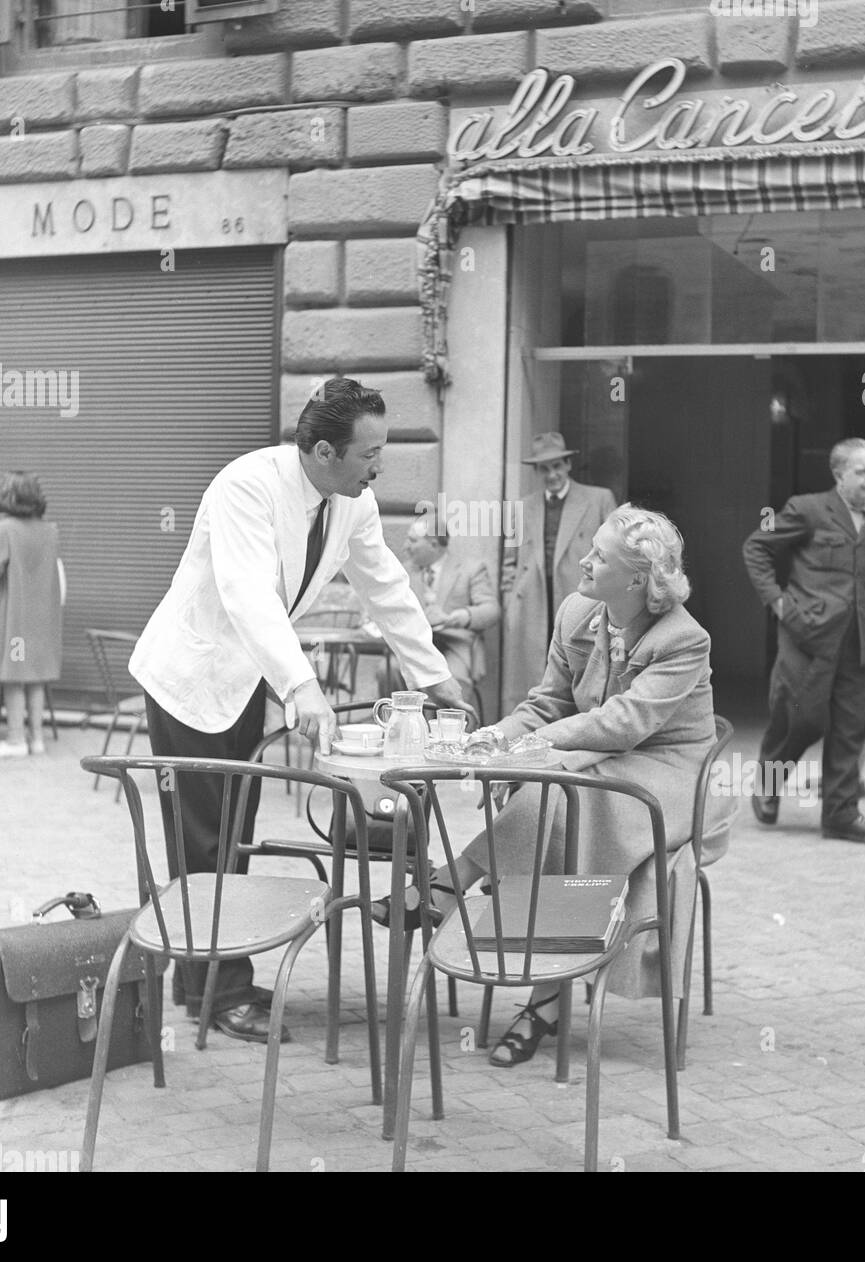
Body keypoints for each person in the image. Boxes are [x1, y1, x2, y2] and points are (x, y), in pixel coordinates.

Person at [129, 377, 465, 1044]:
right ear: (321, 450)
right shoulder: (246, 485)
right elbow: (247, 593)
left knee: (233, 828)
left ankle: (199, 979)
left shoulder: (351, 502)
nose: (379, 466)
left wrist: (433, 676)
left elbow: (387, 589)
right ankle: (214, 991)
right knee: (206, 835)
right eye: (368, 453)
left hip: (246, 674)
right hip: (191, 673)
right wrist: (301, 686)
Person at [378, 505, 733, 1067]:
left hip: (664, 772)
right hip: (596, 760)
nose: (585, 562)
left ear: (638, 578)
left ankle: (450, 885)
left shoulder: (684, 639)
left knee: (558, 793)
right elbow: (548, 703)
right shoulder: (576, 612)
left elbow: (624, 723)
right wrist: (496, 738)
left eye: (600, 557)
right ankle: (543, 998)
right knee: (553, 794)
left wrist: (535, 753)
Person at [741, 438, 865, 845]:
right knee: (801, 719)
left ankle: (841, 813)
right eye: (863, 472)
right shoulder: (805, 509)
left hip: (858, 641)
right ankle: (768, 782)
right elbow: (756, 546)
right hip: (807, 637)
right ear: (839, 474)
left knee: (849, 728)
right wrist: (778, 603)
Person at [501, 432, 617, 713]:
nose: (551, 474)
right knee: (533, 675)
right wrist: (510, 602)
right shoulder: (519, 508)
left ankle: (577, 730)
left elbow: (617, 552)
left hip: (580, 599)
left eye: (556, 466)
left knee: (580, 667)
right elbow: (509, 562)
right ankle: (530, 729)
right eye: (544, 468)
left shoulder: (599, 499)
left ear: (567, 466)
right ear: (537, 472)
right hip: (532, 603)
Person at [0, 472, 63, 760]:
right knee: (35, 677)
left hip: (14, 618)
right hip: (42, 618)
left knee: (13, 677)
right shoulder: (50, 530)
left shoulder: (3, 528)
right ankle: (37, 739)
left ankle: (15, 739)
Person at [379, 515, 500, 704]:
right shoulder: (404, 571)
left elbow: (491, 610)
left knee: (453, 681)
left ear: (434, 544)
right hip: (417, 645)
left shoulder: (471, 569)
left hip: (456, 645)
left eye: (412, 540)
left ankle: (451, 731)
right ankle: (402, 728)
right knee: (389, 669)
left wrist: (461, 617)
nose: (405, 546)